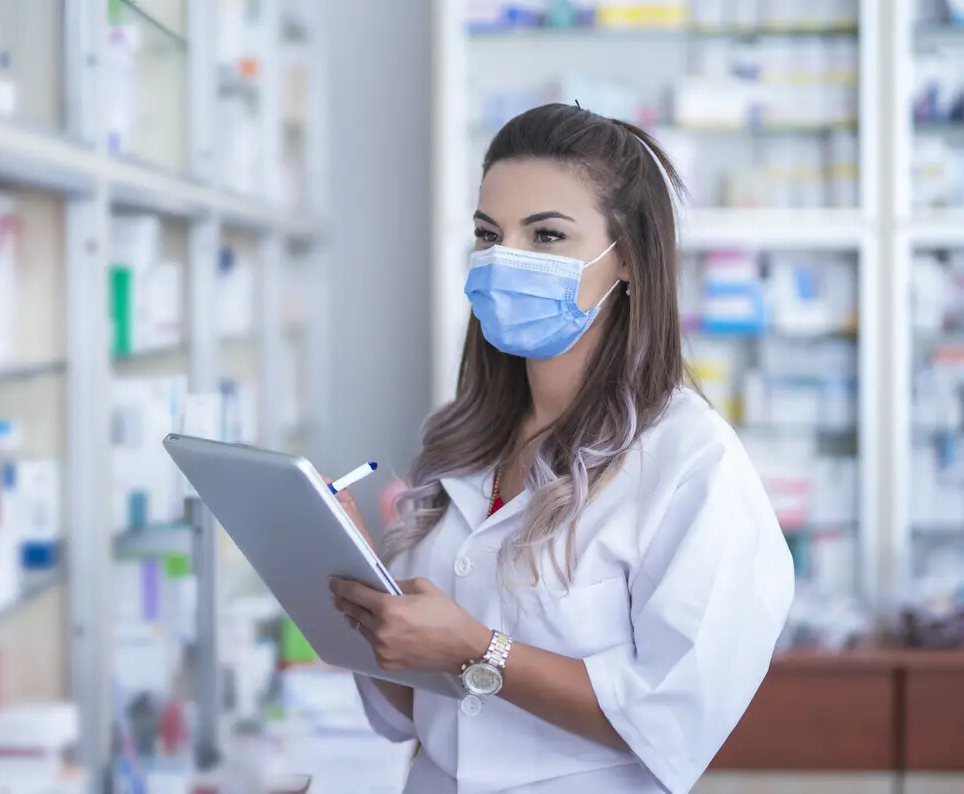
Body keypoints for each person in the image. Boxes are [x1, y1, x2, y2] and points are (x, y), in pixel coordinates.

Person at [328, 103, 795, 794]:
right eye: (490, 234)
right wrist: (363, 605)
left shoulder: (691, 462)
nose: (506, 258)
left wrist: (478, 650)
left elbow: (674, 716)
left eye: (547, 235)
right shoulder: (460, 442)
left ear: (629, 259)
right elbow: (409, 714)